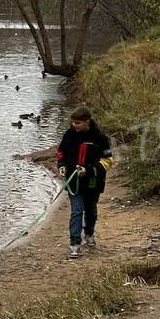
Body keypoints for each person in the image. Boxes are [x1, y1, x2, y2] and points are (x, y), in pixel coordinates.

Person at [56, 106, 112, 259]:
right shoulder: (69, 135)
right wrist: (61, 166)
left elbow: (108, 161)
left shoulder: (100, 138)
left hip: (93, 182)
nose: (74, 125)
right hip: (74, 182)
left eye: (78, 123)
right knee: (76, 211)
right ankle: (75, 245)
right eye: (73, 123)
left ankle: (89, 233)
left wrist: (88, 170)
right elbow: (61, 153)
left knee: (91, 210)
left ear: (87, 121)